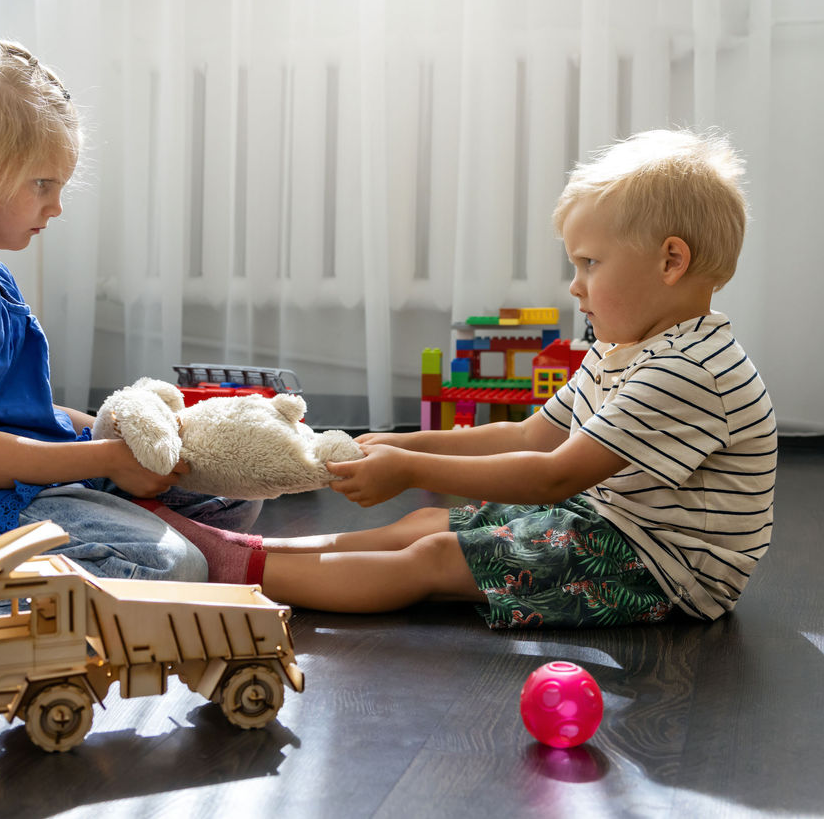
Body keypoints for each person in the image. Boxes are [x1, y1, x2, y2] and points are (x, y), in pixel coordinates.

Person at [164, 128, 776, 628]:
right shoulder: (627, 348)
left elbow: (555, 473)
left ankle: (228, 572)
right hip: (610, 523)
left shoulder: (688, 371)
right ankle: (255, 553)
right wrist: (399, 443)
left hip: (662, 571)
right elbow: (536, 436)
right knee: (426, 523)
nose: (574, 284)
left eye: (590, 263)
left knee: (432, 556)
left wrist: (410, 469)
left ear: (672, 261)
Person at [0, 27, 260, 607]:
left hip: (10, 483)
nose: (57, 206)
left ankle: (102, 529)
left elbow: (14, 411)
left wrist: (105, 430)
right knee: (174, 567)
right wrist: (108, 459)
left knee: (227, 491)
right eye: (42, 184)